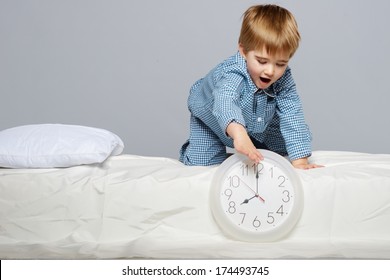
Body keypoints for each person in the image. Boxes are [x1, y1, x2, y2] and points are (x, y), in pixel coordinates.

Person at [179, 4, 321, 169]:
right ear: (243, 50)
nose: (270, 71)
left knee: (277, 153)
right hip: (210, 118)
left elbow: (292, 114)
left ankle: (249, 148)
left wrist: (300, 162)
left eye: (281, 64)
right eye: (262, 61)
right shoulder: (233, 73)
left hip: (256, 124)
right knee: (202, 163)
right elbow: (225, 100)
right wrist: (239, 134)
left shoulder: (283, 79)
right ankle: (212, 150)